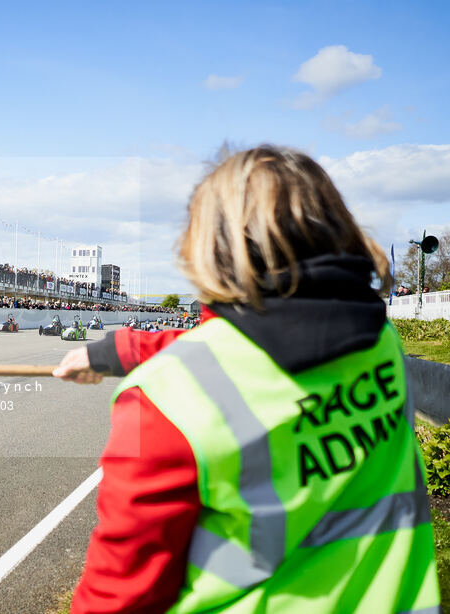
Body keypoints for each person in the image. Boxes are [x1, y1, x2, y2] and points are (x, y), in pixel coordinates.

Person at [54, 146, 439, 613]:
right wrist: (118, 349)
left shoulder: (163, 399)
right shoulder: (380, 341)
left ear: (213, 245)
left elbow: (118, 596)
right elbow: (265, 332)